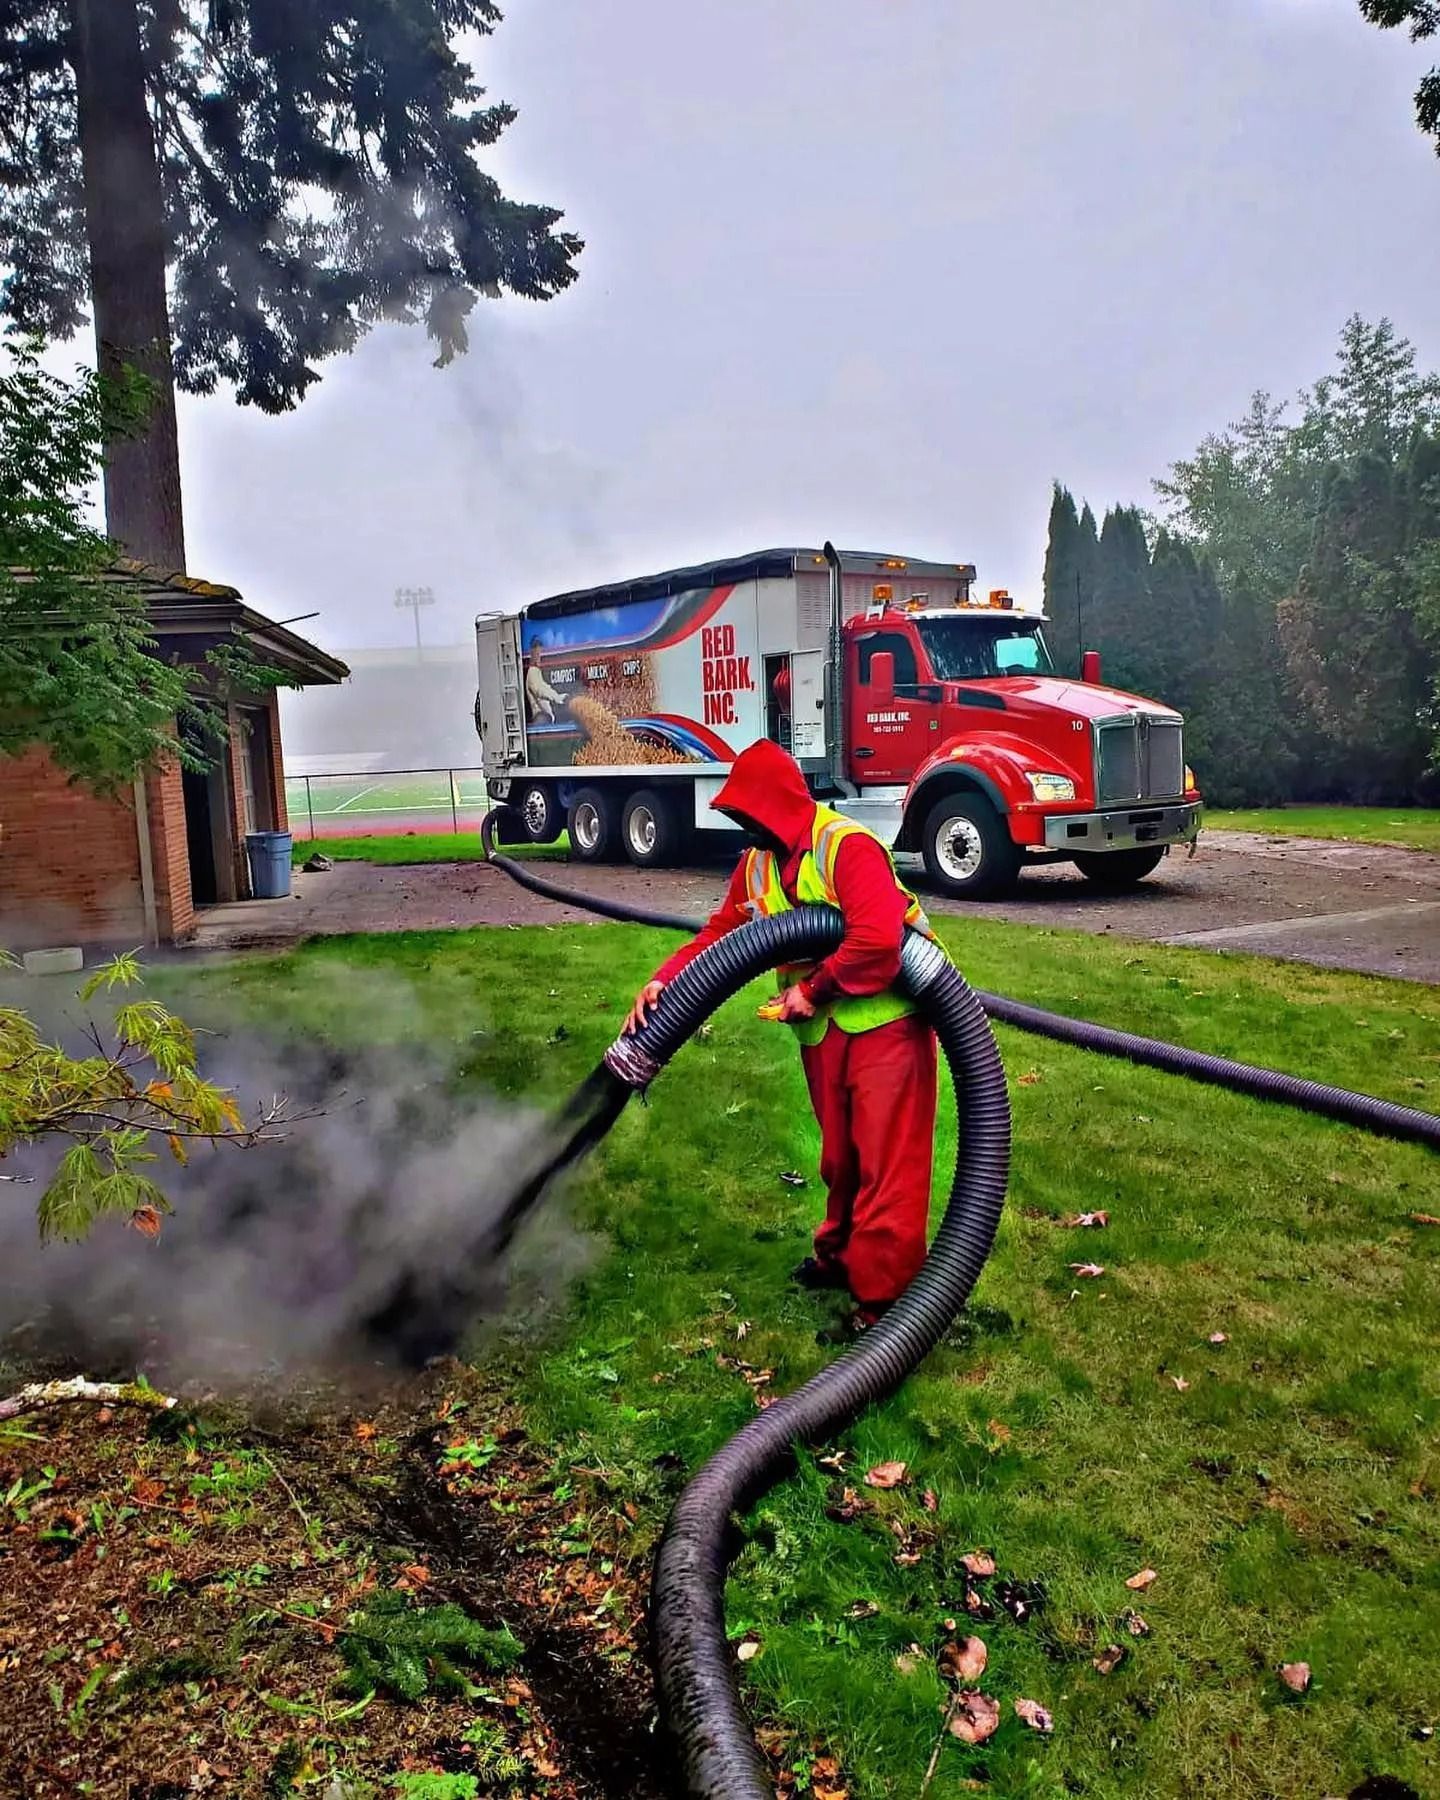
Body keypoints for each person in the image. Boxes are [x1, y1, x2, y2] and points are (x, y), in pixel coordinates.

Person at [625, 739, 937, 1337]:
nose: (743, 825)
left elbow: (876, 940)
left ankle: (886, 1307)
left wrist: (812, 991)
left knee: (886, 1168)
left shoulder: (846, 847)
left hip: (888, 1023)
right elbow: (721, 935)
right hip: (826, 1034)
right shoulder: (758, 863)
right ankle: (840, 1258)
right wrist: (664, 981)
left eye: (749, 814)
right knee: (841, 1160)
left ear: (777, 806)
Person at [525, 643, 567, 723]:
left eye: (540, 654)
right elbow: (540, 690)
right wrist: (556, 698)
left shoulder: (537, 672)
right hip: (540, 717)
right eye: (537, 654)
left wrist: (558, 696)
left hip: (545, 717)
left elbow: (546, 688)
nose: (540, 657)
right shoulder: (532, 672)